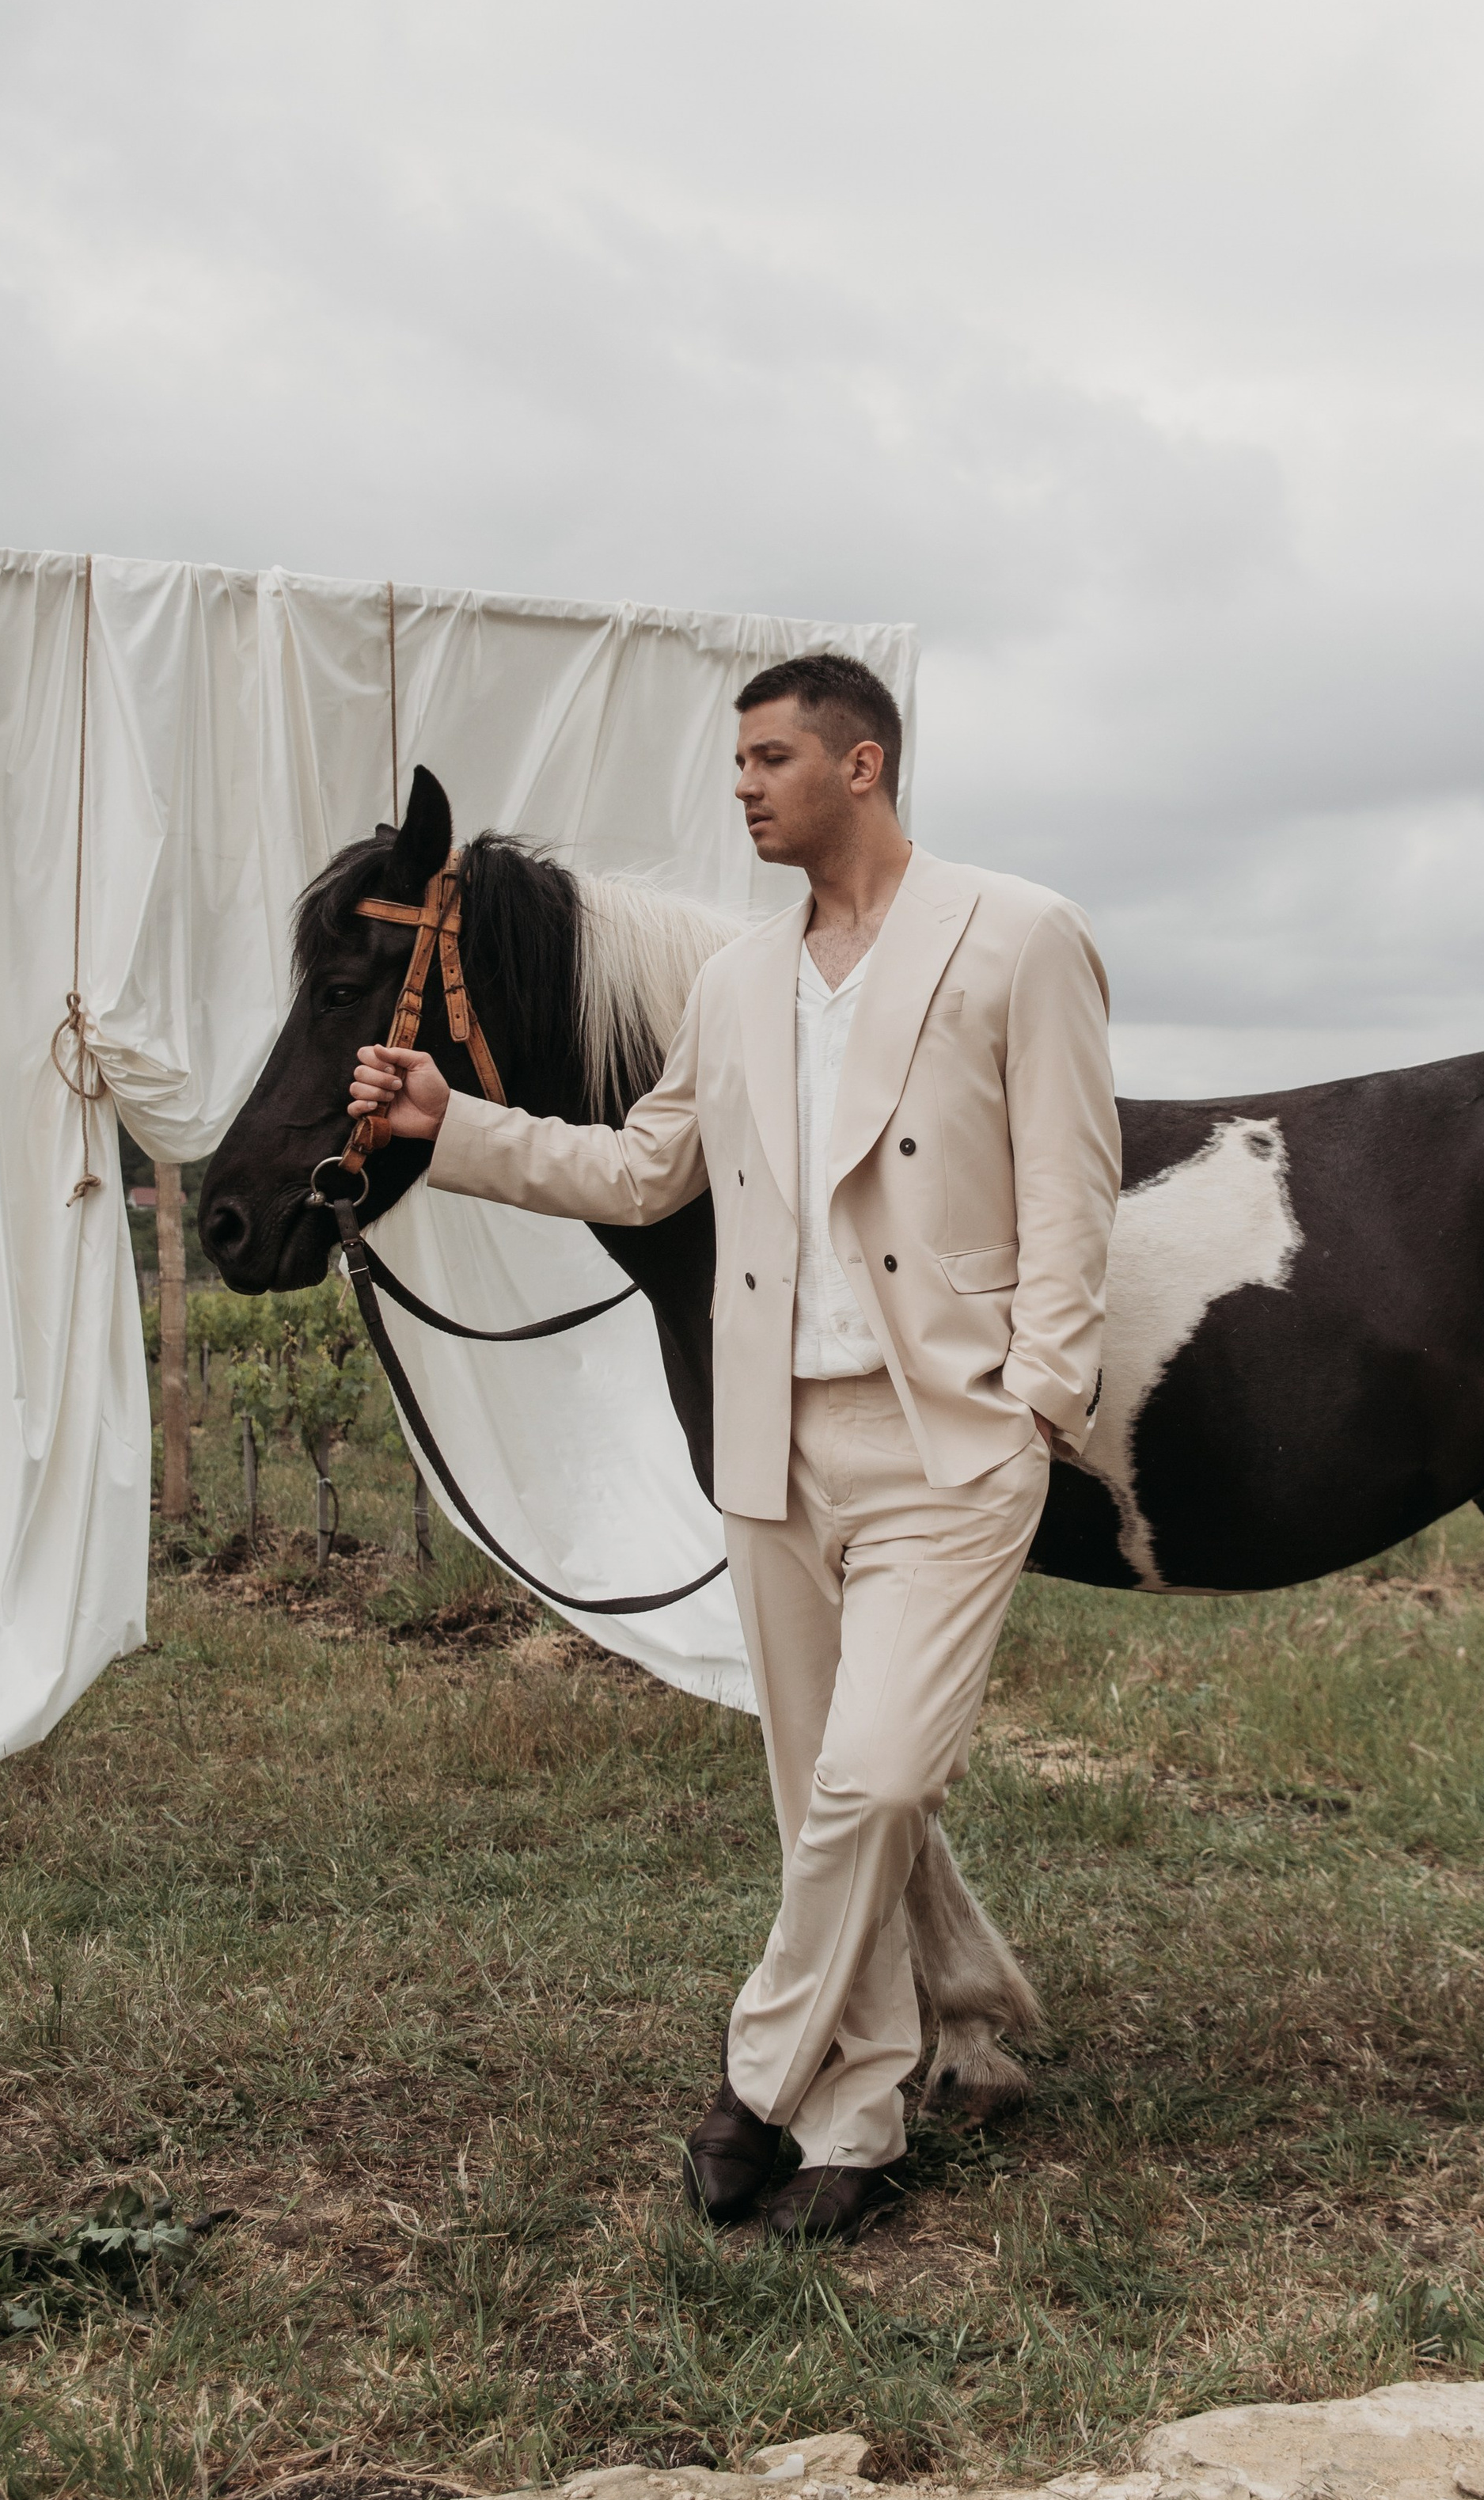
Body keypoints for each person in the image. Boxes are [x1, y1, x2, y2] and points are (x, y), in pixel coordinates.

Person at [348, 652, 1122, 2243]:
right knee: (811, 1795)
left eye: (770, 758)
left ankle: (756, 2074)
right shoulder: (733, 981)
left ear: (863, 764)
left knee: (879, 1771)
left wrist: (1039, 1397)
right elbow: (645, 1173)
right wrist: (451, 1125)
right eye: (735, 764)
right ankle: (855, 2114)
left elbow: (1071, 1182)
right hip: (773, 1440)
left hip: (947, 1438)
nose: (743, 787)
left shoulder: (1017, 934)